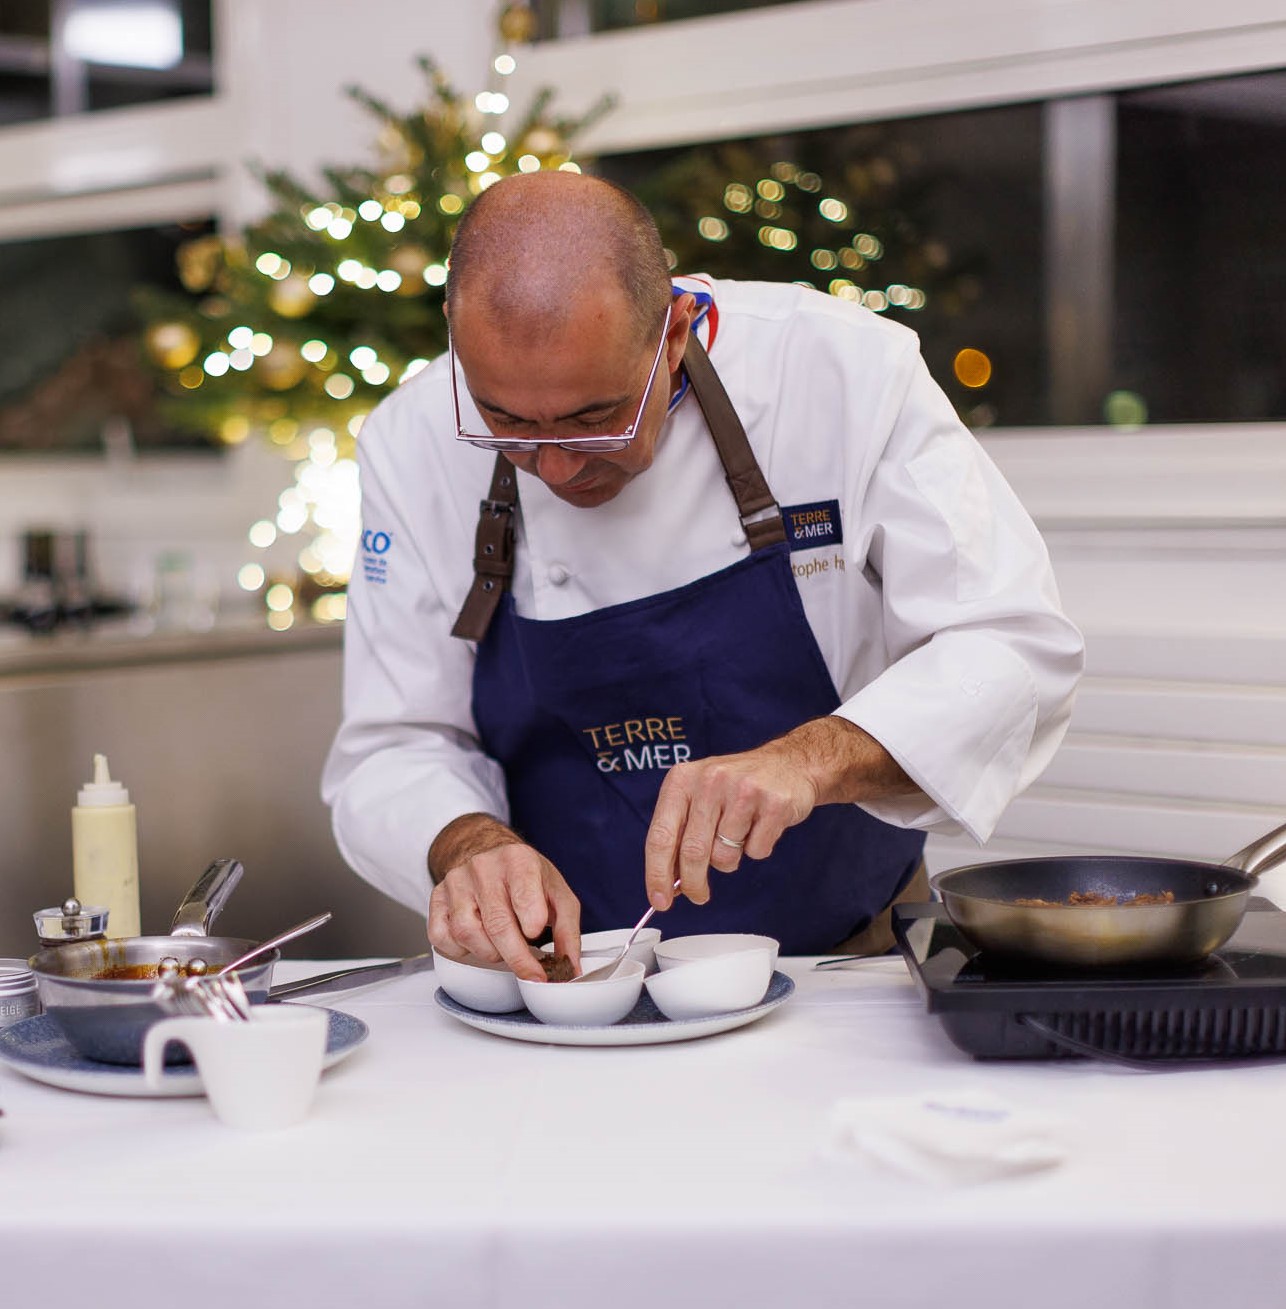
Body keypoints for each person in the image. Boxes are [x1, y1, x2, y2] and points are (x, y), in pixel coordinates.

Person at [321, 170, 1084, 982]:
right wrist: (467, 842)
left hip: (848, 968)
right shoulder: (409, 440)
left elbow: (1012, 645)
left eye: (593, 419)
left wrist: (806, 760)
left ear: (677, 329)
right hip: (558, 991)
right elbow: (393, 743)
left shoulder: (842, 374)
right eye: (504, 421)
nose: (552, 467)